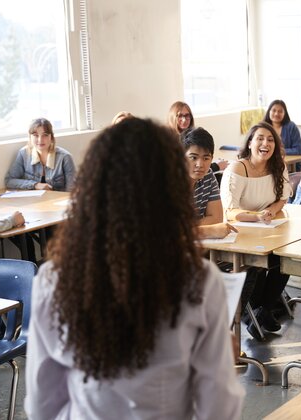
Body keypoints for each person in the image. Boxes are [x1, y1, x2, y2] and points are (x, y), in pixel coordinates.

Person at [24, 118, 244, 419]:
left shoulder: (53, 281)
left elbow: (42, 406)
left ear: (91, 192)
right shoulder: (200, 283)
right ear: (173, 190)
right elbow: (217, 408)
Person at [220, 121, 292, 339]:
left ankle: (261, 312)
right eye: (260, 138)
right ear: (250, 143)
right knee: (257, 266)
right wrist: (256, 217)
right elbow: (230, 211)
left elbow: (283, 198)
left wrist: (270, 210)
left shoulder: (278, 166)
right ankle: (258, 315)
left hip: (267, 228)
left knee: (284, 259)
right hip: (238, 232)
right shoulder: (237, 168)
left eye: (270, 140)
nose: (265, 143)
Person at [182, 127, 237, 239]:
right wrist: (208, 231)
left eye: (206, 158)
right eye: (193, 157)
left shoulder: (208, 174)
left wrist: (187, 229)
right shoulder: (169, 181)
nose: (200, 164)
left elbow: (217, 218)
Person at [5, 118, 76, 192]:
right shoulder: (23, 154)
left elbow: (71, 191)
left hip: (57, 201)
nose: (40, 140)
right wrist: (35, 185)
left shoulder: (65, 157)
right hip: (34, 202)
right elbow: (9, 181)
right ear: (30, 137)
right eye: (36, 135)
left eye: (45, 135)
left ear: (51, 137)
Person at [169, 101, 228, 175]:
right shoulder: (169, 142)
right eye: (180, 116)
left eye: (187, 116)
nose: (184, 120)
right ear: (173, 117)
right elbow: (184, 169)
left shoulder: (194, 136)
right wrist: (216, 166)